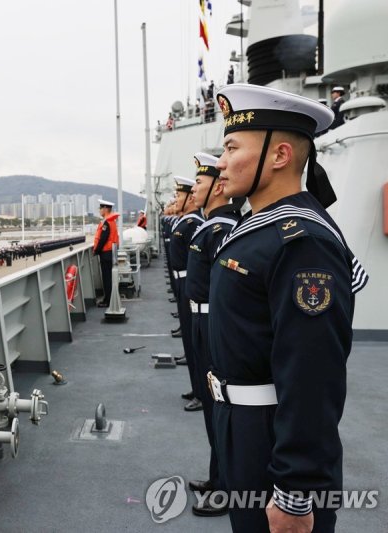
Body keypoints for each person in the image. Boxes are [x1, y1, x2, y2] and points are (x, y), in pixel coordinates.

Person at [209, 83, 368, 532]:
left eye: (231, 147)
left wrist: (296, 494)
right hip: (244, 428)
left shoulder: (302, 242)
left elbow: (312, 375)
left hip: (272, 439)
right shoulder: (260, 228)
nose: (221, 162)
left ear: (279, 156)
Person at [184, 152, 241, 517]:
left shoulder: (222, 228)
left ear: (217, 187)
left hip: (213, 322)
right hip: (200, 319)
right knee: (212, 408)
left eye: (200, 184)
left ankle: (225, 486)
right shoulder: (211, 225)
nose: (194, 191)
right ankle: (216, 476)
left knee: (220, 407)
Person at [168, 176, 204, 410]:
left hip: (189, 284)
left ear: (191, 198)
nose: (176, 199)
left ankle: (201, 392)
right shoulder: (187, 222)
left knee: (196, 343)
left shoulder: (193, 224)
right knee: (190, 340)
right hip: (183, 283)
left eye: (180, 195)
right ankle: (196, 387)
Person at [92, 199, 119, 307]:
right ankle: (108, 299)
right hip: (110, 252)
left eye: (101, 208)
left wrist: (96, 250)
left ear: (105, 209)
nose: (100, 211)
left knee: (107, 278)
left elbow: (103, 238)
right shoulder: (111, 221)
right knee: (109, 277)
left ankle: (108, 301)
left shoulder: (106, 222)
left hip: (106, 253)